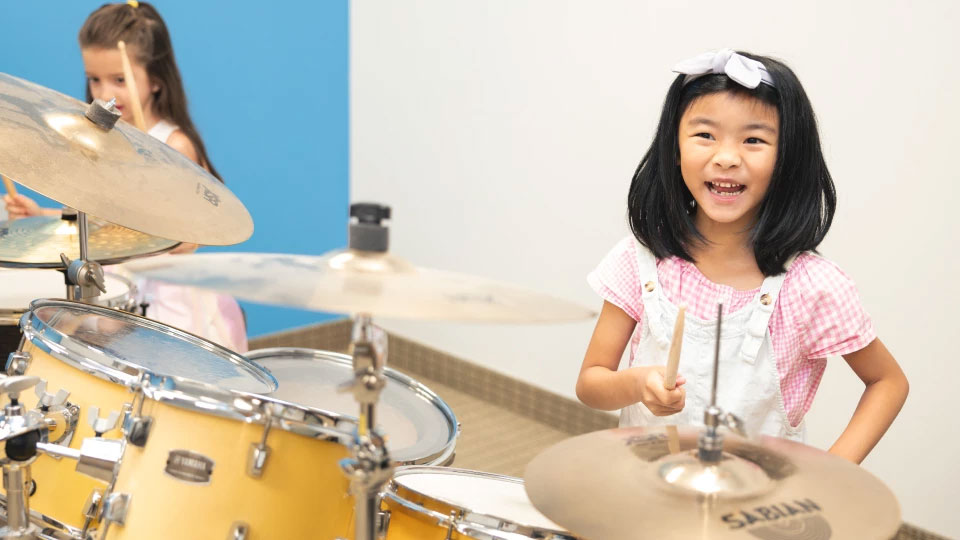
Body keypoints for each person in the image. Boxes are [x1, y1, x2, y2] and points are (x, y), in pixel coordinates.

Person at [576, 49, 908, 464]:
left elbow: (888, 382)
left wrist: (829, 474)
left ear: (787, 157)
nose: (727, 157)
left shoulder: (811, 286)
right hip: (646, 496)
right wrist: (637, 385)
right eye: (705, 135)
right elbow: (591, 383)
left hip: (752, 513)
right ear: (674, 148)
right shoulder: (643, 260)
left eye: (754, 140)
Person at [3, 1, 248, 353]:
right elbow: (98, 226)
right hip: (118, 292)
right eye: (95, 79)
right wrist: (39, 218)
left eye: (120, 80)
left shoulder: (174, 146)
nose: (105, 94)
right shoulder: (96, 143)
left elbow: (180, 241)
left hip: (167, 303)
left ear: (157, 80)